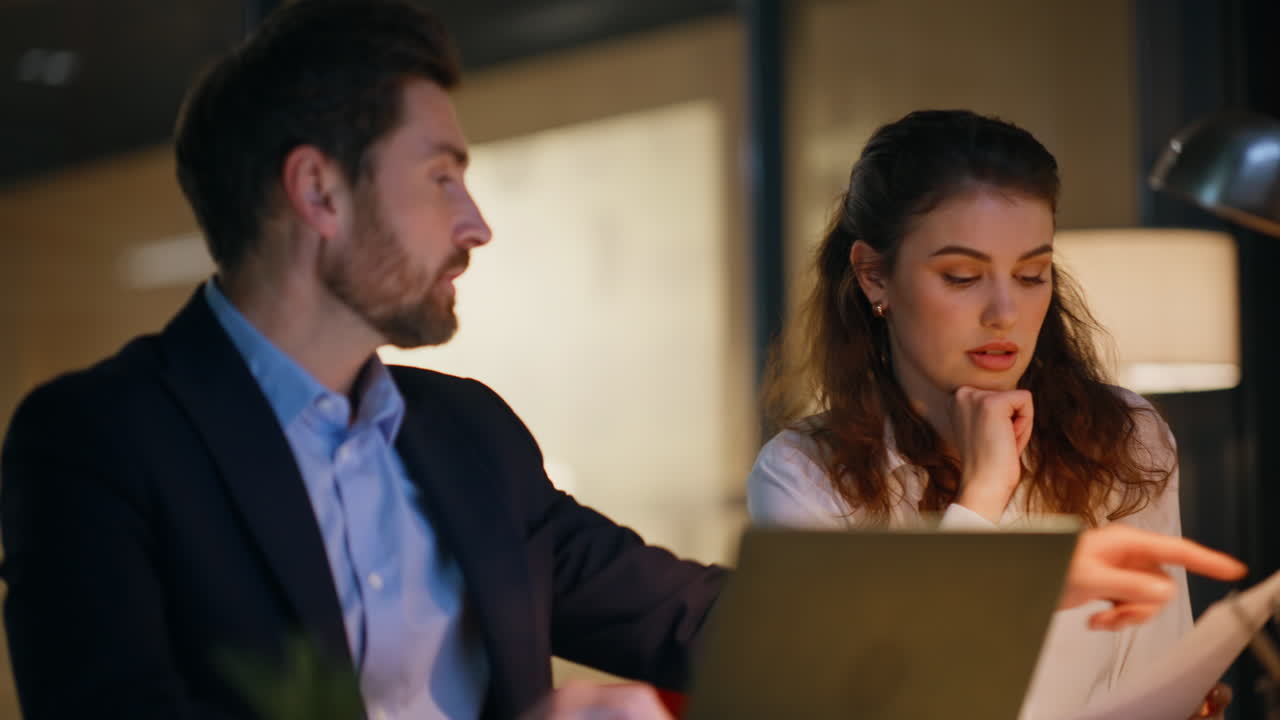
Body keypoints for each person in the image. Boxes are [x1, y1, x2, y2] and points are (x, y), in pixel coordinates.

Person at [0, 5, 1244, 720]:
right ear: (316, 191)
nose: (475, 223)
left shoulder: (462, 436)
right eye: (443, 177)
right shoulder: (101, 442)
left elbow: (718, 623)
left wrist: (1012, 577)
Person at [747, 109, 1230, 719]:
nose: (1004, 311)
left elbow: (1156, 682)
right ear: (875, 276)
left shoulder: (1125, 437)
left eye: (1032, 274)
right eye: (962, 276)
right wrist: (981, 497)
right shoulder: (804, 476)